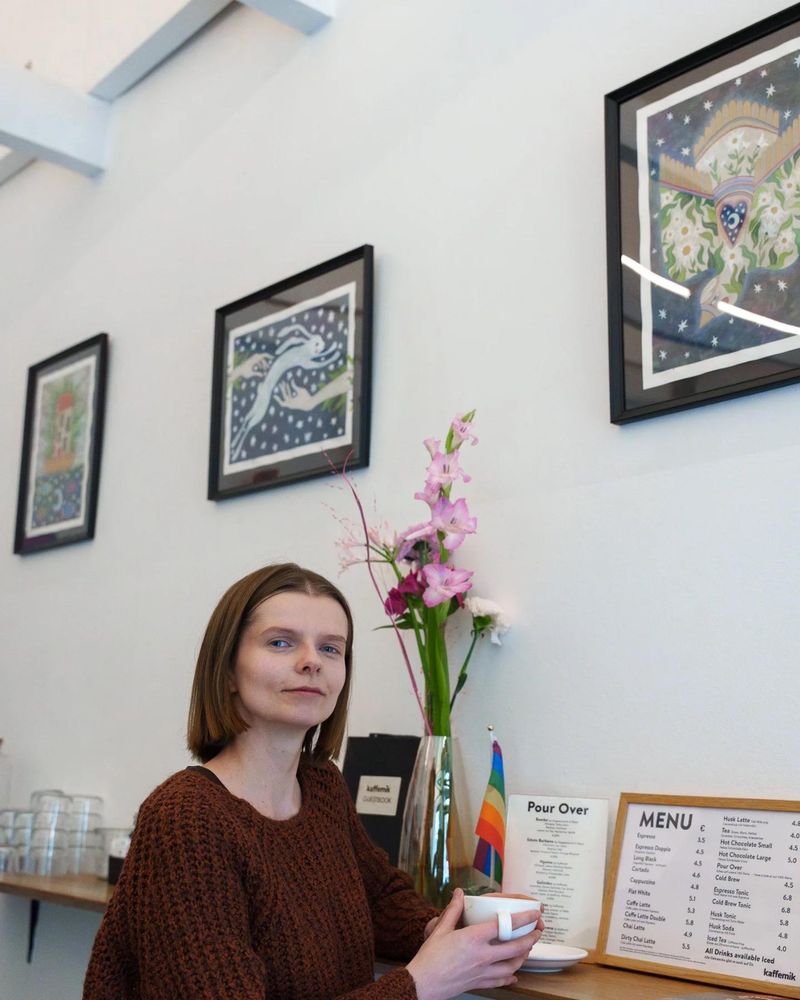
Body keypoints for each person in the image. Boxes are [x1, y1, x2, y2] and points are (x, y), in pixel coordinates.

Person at [83, 563, 542, 1000]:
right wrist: (420, 984)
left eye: (330, 648)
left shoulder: (322, 787)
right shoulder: (186, 820)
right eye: (281, 643)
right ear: (226, 672)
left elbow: (378, 898)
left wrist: (455, 928)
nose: (311, 663)